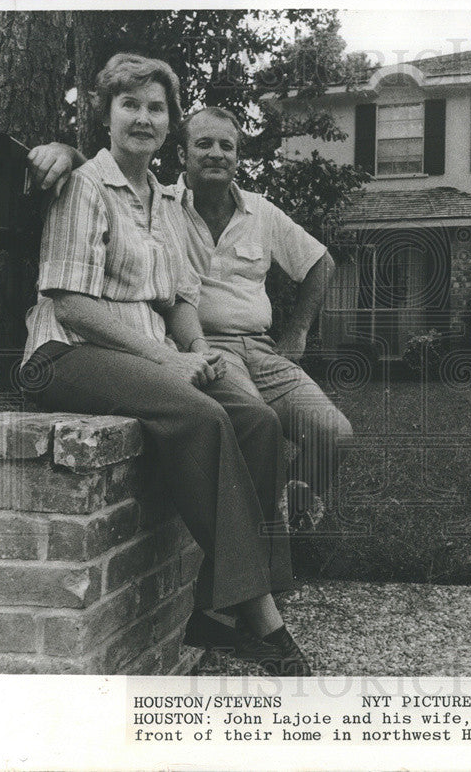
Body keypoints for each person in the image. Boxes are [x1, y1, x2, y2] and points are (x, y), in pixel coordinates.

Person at [20, 53, 310, 676]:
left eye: (156, 107)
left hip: (146, 355)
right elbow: (69, 303)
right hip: (66, 353)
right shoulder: (85, 185)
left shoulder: (163, 200)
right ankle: (261, 619)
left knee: (258, 420)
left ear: (169, 124)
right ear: (105, 114)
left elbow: (179, 297)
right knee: (200, 417)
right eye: (130, 104)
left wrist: (199, 353)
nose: (144, 117)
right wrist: (168, 362)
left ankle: (212, 609)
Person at [29, 109, 353, 533]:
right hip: (201, 346)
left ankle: (289, 508)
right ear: (182, 153)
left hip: (261, 347)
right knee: (254, 426)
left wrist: (298, 331)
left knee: (334, 434)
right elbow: (107, 179)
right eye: (204, 144)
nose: (216, 154)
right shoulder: (159, 203)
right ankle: (262, 544)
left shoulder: (262, 212)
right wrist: (67, 153)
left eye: (227, 146)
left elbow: (321, 262)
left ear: (238, 157)